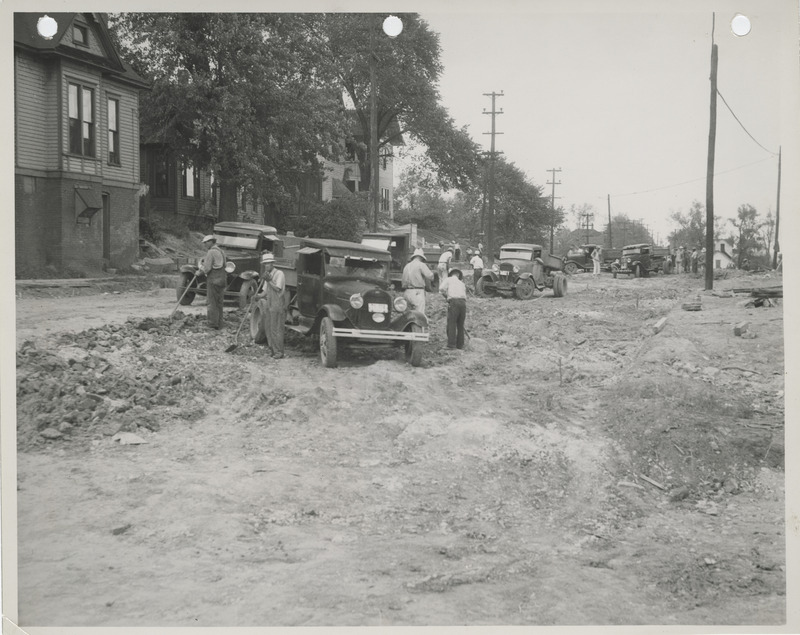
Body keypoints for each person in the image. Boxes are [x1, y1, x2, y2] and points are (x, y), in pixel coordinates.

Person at [256, 252, 287, 359]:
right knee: (270, 328)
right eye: (265, 264)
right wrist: (258, 296)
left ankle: (279, 352)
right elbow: (265, 291)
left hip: (278, 304)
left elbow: (278, 288)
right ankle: (273, 350)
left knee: (277, 329)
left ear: (272, 264)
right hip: (270, 304)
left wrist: (269, 281)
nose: (266, 266)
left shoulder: (279, 274)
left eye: (268, 264)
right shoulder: (267, 275)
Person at [200, 234, 227, 329]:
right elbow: (224, 265)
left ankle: (212, 324)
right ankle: (219, 323)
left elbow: (207, 268)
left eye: (206, 243)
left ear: (211, 242)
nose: (205, 245)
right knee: (219, 302)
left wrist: (199, 273)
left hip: (214, 279)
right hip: (222, 279)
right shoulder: (221, 251)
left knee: (212, 302)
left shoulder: (211, 252)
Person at [439, 268, 467, 350]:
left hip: (454, 302)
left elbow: (441, 289)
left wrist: (446, 297)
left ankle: (451, 345)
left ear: (451, 274)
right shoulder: (462, 283)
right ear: (458, 275)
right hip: (463, 303)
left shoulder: (448, 279)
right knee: (460, 325)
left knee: (452, 323)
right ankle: (460, 345)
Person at [401, 248, 434, 315]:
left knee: (408, 315)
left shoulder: (407, 266)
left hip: (406, 292)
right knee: (419, 315)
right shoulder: (421, 265)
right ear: (421, 258)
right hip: (417, 292)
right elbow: (430, 276)